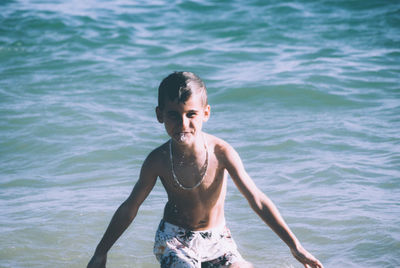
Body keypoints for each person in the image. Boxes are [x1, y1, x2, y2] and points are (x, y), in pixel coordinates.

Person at [87, 71, 324, 268]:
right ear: (159, 115)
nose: (183, 124)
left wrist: (295, 245)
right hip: (175, 239)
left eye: (191, 114)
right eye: (173, 115)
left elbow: (257, 199)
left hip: (218, 239)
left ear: (206, 113)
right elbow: (130, 207)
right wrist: (101, 252)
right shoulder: (157, 160)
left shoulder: (222, 153)